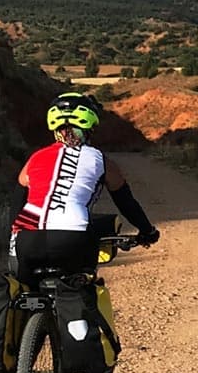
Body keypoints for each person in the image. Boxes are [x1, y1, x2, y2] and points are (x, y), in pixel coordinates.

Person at [10, 92, 160, 271]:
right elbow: (126, 202)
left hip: (26, 239)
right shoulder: (99, 160)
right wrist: (147, 231)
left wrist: (11, 237)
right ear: (89, 127)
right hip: (73, 235)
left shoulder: (35, 158)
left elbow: (17, 202)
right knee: (83, 285)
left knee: (24, 290)